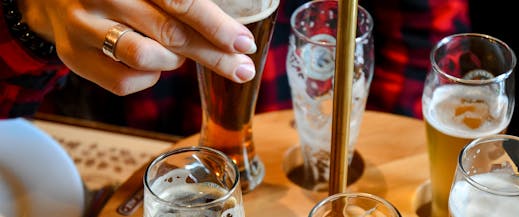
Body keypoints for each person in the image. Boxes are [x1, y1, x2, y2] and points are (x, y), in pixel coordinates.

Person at [1, 0, 470, 136]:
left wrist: (359, 152)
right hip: (146, 164)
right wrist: (30, 17)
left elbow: (427, 40)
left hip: (318, 152)